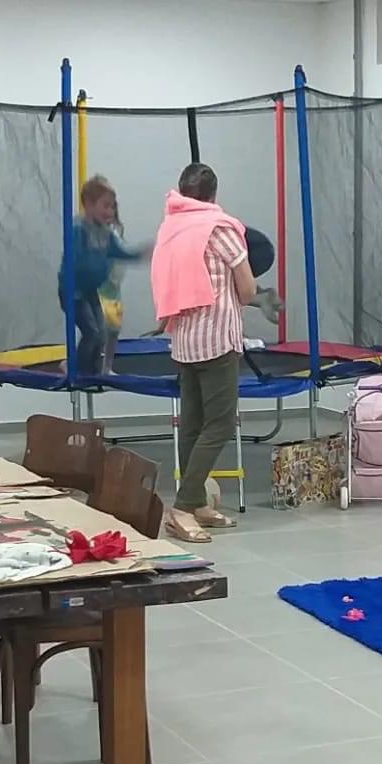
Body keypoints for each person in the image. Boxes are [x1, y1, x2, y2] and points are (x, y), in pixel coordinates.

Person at [150, 162, 256, 543]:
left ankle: (195, 504)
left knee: (192, 425)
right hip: (217, 340)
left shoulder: (171, 229)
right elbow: (248, 290)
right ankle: (182, 507)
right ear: (213, 195)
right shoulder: (221, 229)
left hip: (184, 341)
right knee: (221, 423)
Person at [58, 175, 149, 377]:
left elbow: (119, 252)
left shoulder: (106, 232)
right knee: (91, 332)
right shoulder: (78, 229)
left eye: (112, 207)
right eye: (105, 206)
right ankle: (78, 370)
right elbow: (76, 260)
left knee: (102, 334)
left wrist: (140, 254)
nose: (110, 212)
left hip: (93, 291)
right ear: (89, 205)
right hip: (74, 292)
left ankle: (94, 371)